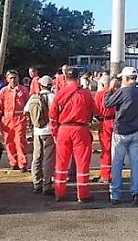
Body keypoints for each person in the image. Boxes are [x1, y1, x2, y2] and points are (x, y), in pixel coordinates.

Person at [103, 66, 138, 206]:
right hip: (137, 130)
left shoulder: (124, 91)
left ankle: (116, 194)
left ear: (125, 78)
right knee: (135, 164)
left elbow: (107, 103)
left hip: (121, 131)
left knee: (117, 164)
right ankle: (136, 192)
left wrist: (110, 89)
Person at [49, 67, 95, 203]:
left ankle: (59, 192)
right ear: (78, 77)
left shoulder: (59, 94)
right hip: (81, 129)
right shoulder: (86, 94)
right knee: (82, 163)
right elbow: (93, 111)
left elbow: (52, 116)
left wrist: (54, 133)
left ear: (65, 77)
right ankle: (83, 194)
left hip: (63, 129)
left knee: (61, 163)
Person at [24, 75, 55, 195]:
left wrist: (32, 124)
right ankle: (47, 184)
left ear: (40, 85)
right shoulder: (53, 97)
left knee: (37, 157)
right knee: (48, 158)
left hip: (37, 131)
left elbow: (26, 112)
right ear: (51, 85)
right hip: (49, 131)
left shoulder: (33, 97)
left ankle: (36, 183)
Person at [0, 70, 30, 172]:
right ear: (7, 79)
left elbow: (28, 104)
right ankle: (13, 162)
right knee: (8, 142)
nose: (13, 80)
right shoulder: (3, 91)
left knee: (20, 141)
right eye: (11, 78)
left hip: (20, 118)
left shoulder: (23, 90)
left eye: (15, 77)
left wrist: (28, 118)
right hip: (7, 120)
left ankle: (22, 163)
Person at [94, 75, 116, 183]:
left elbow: (96, 110)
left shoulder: (99, 94)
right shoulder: (116, 93)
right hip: (115, 122)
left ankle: (105, 175)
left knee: (105, 149)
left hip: (104, 123)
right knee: (114, 149)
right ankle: (111, 173)